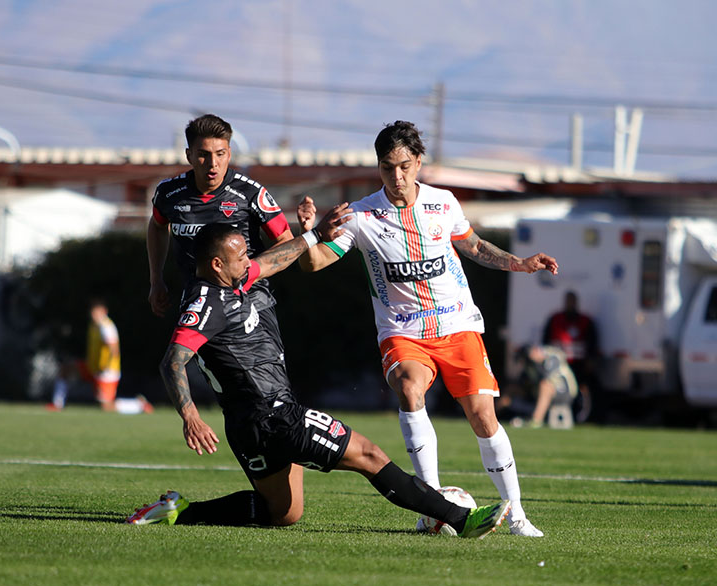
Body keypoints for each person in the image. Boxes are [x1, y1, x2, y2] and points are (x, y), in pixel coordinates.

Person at [126, 220, 511, 539]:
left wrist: (314, 235)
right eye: (241, 256)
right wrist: (191, 416)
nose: (249, 262)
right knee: (370, 456)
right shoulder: (205, 303)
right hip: (273, 417)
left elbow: (273, 260)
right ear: (215, 264)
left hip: (247, 426)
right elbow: (173, 361)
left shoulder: (234, 278)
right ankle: (461, 519)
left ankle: (179, 511)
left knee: (283, 513)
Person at [296, 120, 558, 537]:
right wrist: (309, 233)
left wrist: (519, 263)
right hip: (402, 332)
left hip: (457, 324)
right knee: (410, 387)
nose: (396, 177)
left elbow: (473, 246)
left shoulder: (444, 203)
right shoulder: (361, 216)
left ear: (418, 162)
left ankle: (519, 516)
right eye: (386, 168)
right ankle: (432, 504)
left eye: (403, 166)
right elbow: (314, 264)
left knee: (483, 417)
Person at [147, 114, 294, 320]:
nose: (212, 163)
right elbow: (157, 226)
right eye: (203, 154)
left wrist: (251, 272)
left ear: (229, 154)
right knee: (178, 352)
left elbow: (286, 241)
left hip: (250, 306)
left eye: (220, 153)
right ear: (189, 155)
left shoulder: (250, 193)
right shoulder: (169, 193)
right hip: (197, 304)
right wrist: (156, 280)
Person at [49, 299, 152, 414]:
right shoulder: (94, 326)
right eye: (93, 312)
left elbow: (114, 349)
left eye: (97, 312)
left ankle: (139, 405)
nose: (94, 315)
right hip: (92, 367)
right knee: (65, 370)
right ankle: (57, 404)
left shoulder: (106, 327)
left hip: (106, 370)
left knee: (106, 406)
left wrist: (106, 366)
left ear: (104, 312)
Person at [542, 289, 601, 422]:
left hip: (578, 365)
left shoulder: (585, 321)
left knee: (588, 388)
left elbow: (592, 344)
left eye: (572, 301)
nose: (570, 304)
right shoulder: (555, 320)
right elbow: (545, 343)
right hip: (558, 366)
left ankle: (586, 417)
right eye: (568, 301)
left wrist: (590, 362)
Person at [501, 344, 578, 429]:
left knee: (545, 385)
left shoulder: (551, 356)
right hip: (543, 395)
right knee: (512, 388)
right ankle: (495, 418)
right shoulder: (530, 366)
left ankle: (536, 420)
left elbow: (548, 379)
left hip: (565, 393)